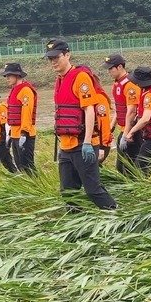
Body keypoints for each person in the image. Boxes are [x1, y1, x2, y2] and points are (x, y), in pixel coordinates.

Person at [45, 39, 117, 210]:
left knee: (93, 190)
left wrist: (87, 143)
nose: (53, 62)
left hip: (82, 145)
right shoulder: (59, 80)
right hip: (66, 147)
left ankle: (115, 215)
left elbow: (89, 110)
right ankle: (77, 226)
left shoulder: (80, 77)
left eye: (57, 57)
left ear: (67, 55)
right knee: (68, 192)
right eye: (50, 59)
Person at [103, 54, 141, 175]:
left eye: (111, 68)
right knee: (121, 167)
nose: (109, 71)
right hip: (123, 129)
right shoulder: (117, 84)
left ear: (119, 67)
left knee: (128, 167)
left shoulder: (130, 84)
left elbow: (131, 111)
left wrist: (125, 135)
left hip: (132, 132)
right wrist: (111, 127)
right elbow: (119, 109)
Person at [1, 63, 37, 174]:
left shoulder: (25, 90)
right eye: (6, 76)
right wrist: (9, 134)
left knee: (27, 165)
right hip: (15, 134)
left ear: (17, 75)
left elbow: (27, 113)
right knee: (19, 164)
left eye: (9, 75)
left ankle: (37, 187)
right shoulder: (14, 90)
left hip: (24, 134)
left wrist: (24, 133)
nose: (7, 78)